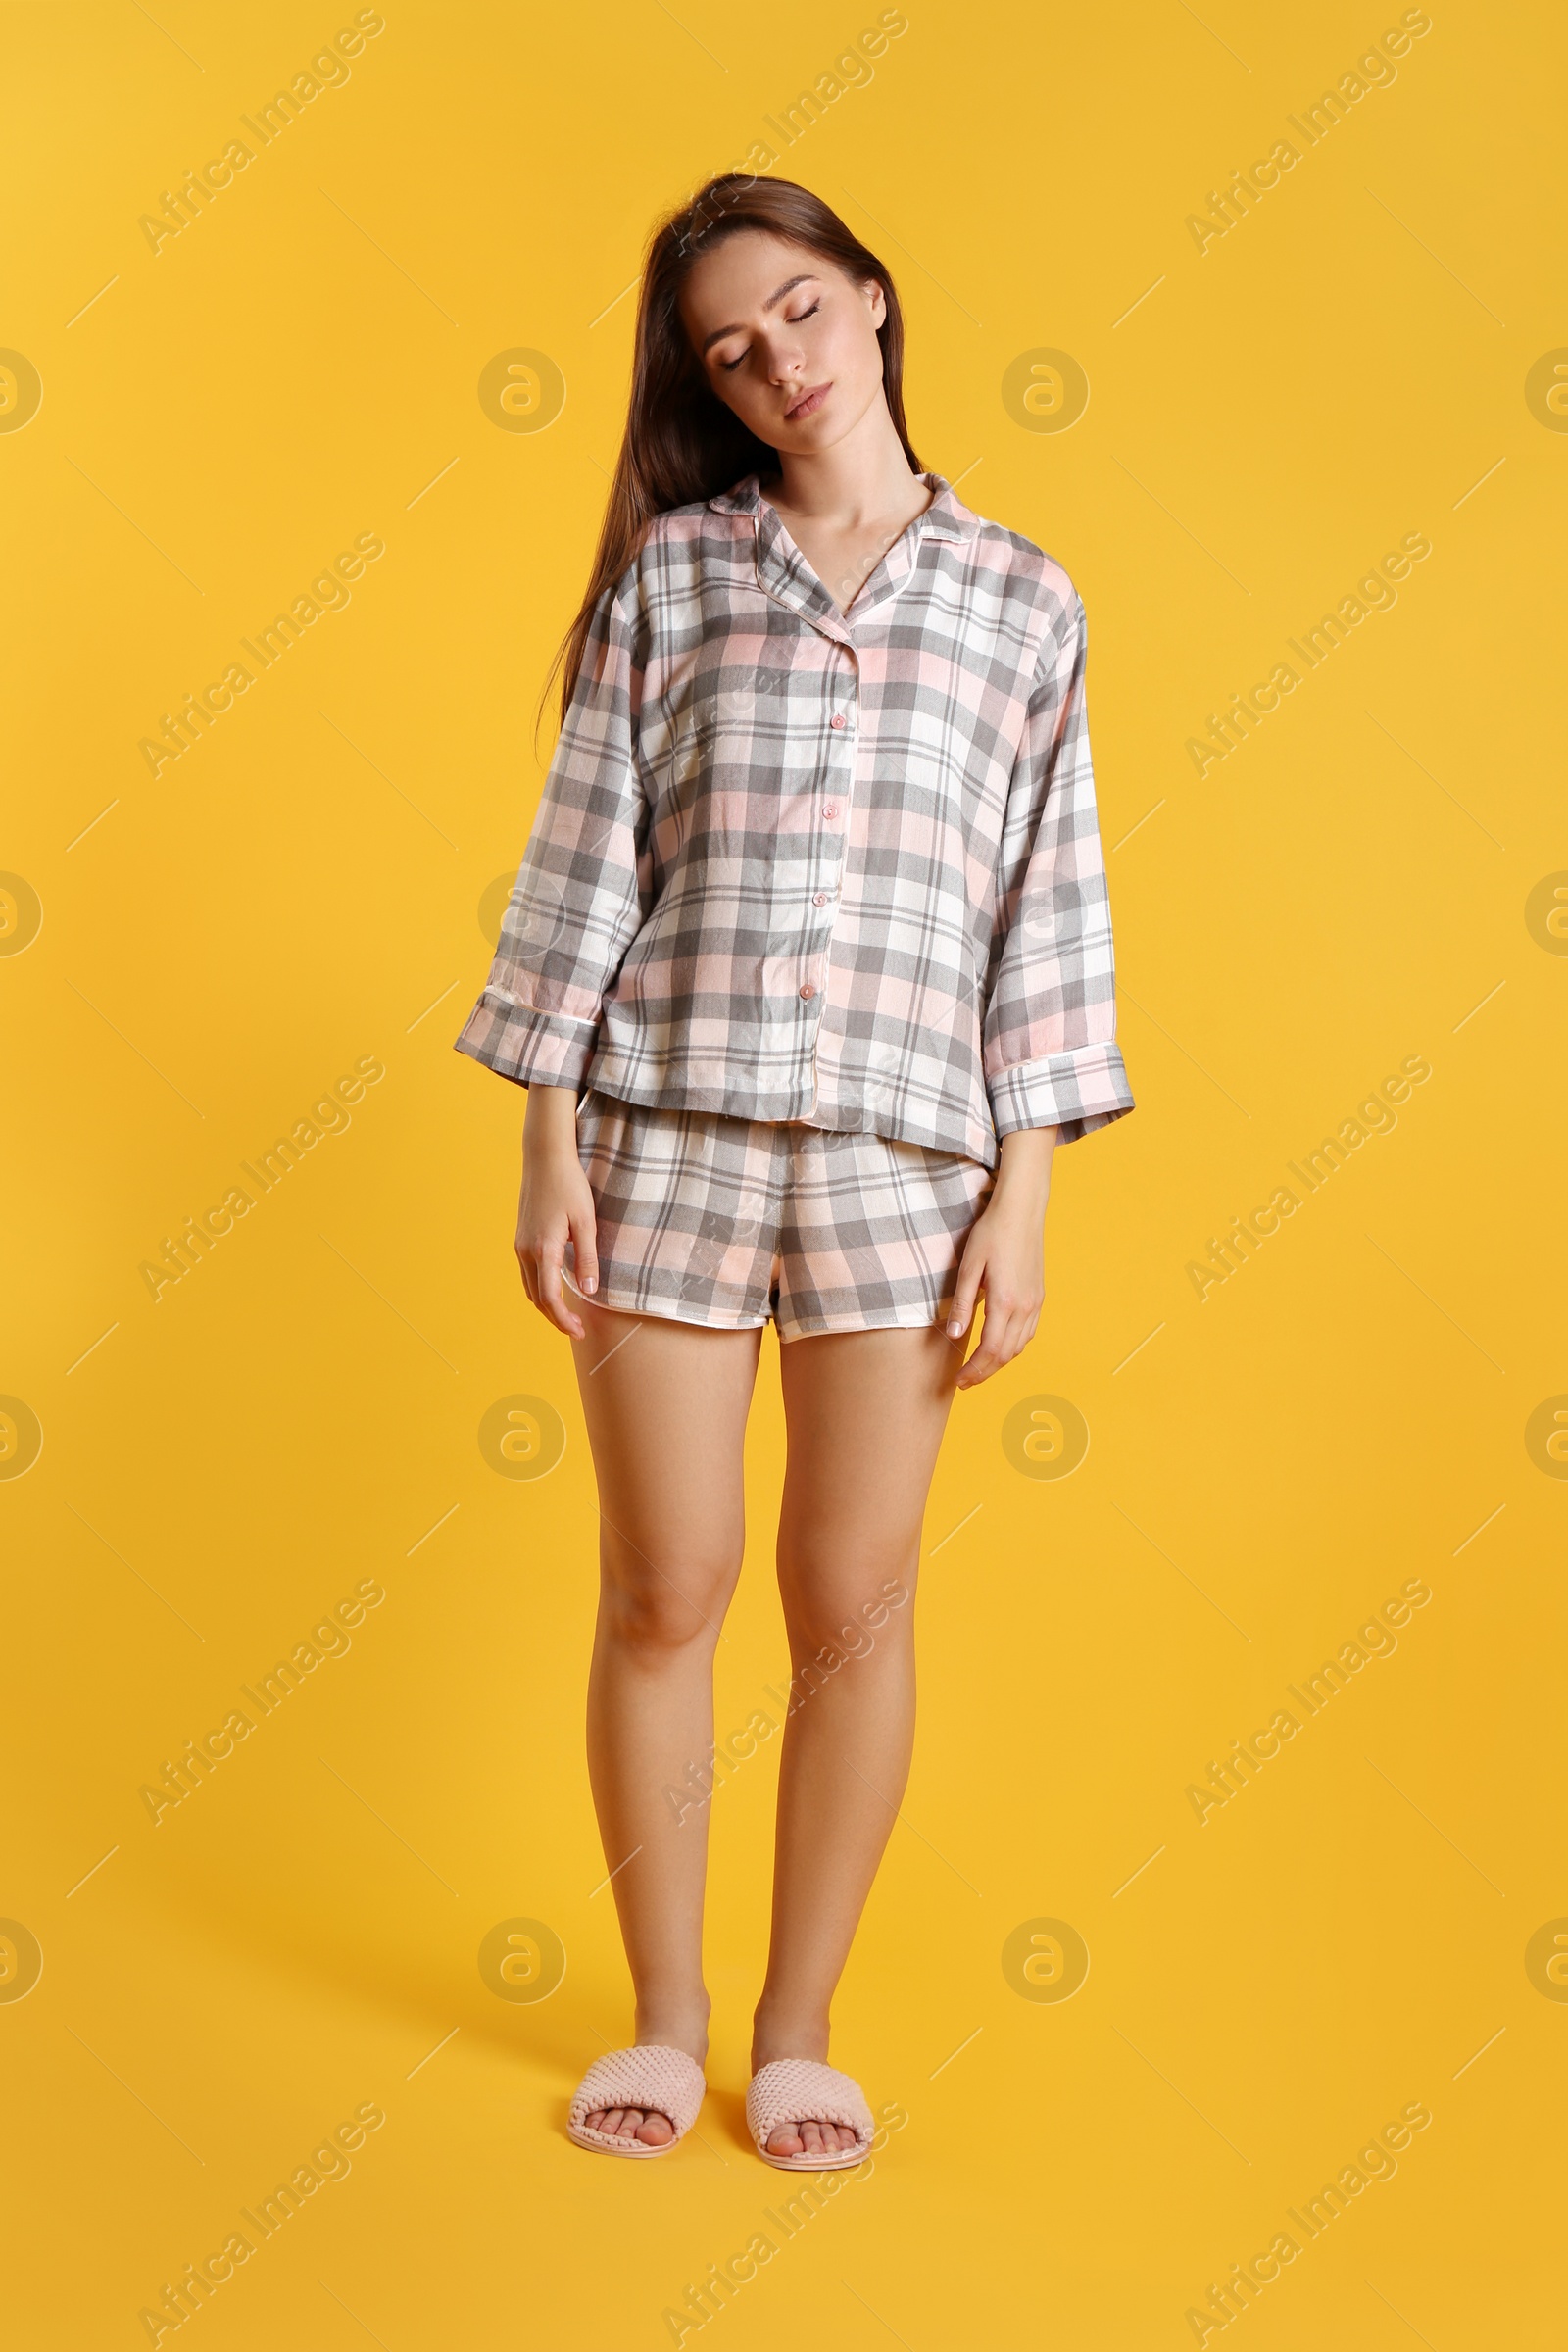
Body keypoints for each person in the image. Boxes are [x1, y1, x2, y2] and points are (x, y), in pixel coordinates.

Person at [455, 173, 1133, 2169]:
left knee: (851, 1600)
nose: (774, 368)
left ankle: (797, 2026)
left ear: (875, 303)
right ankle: (659, 2022)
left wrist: (1024, 1190)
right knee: (663, 1585)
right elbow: (586, 866)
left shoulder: (1022, 598)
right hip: (660, 1129)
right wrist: (544, 1136)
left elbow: (1046, 912)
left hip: (902, 1161)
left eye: (799, 316)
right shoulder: (670, 576)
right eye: (731, 352)